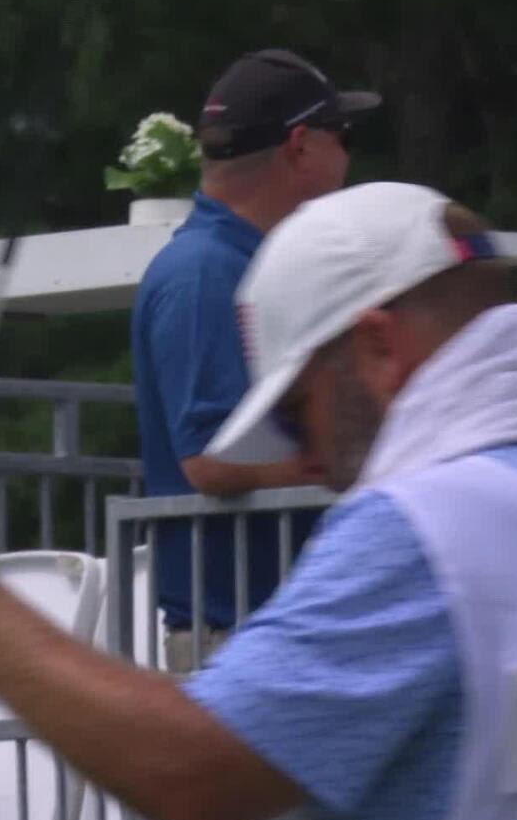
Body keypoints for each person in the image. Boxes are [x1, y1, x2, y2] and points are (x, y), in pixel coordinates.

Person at [0, 181, 517, 820]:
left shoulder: (424, 531)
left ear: (377, 346)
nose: (308, 464)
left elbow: (192, 768)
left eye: (294, 412)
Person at [131, 48, 378, 667]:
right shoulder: (206, 273)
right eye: (340, 136)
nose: (349, 157)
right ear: (300, 146)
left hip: (263, 634)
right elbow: (210, 460)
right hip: (238, 642)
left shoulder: (241, 264)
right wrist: (354, 464)